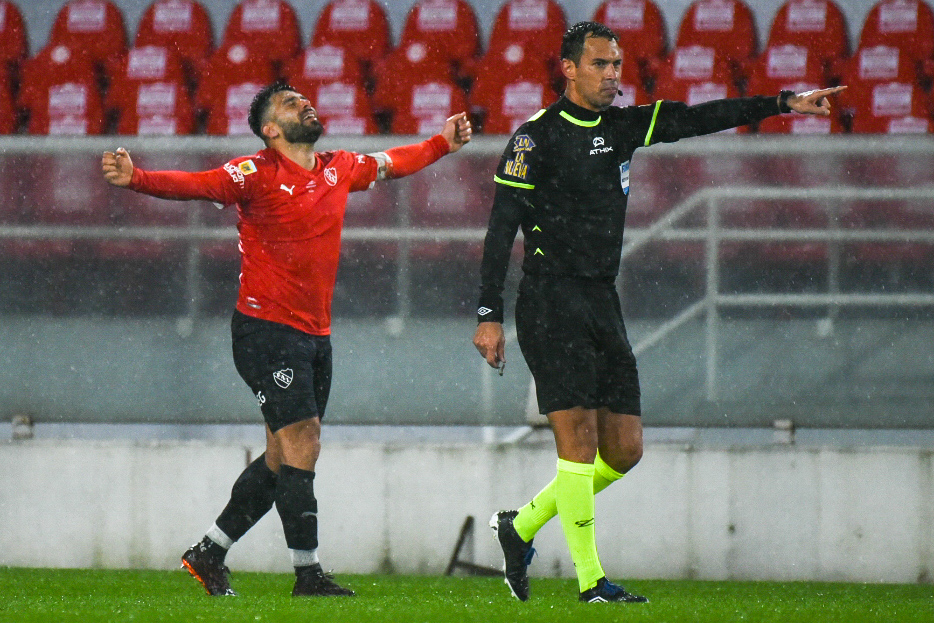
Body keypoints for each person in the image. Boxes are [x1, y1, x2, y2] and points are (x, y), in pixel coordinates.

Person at [472, 22, 844, 604]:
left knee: (624, 450)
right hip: (549, 301)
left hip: (601, 299)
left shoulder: (623, 128)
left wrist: (783, 103)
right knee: (576, 444)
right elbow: (499, 232)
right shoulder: (534, 139)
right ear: (569, 69)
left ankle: (518, 528)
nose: (613, 75)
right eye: (600, 64)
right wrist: (488, 313)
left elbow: (697, 118)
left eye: (617, 64)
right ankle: (592, 582)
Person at [102, 82, 472, 597]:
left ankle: (209, 550)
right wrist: (137, 178)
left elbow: (391, 163)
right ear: (270, 130)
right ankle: (308, 574)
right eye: (290, 103)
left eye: (304, 98)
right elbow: (199, 184)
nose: (305, 103)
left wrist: (441, 143)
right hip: (265, 330)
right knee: (304, 439)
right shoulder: (256, 172)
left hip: (315, 333)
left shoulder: (338, 167)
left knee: (282, 455)